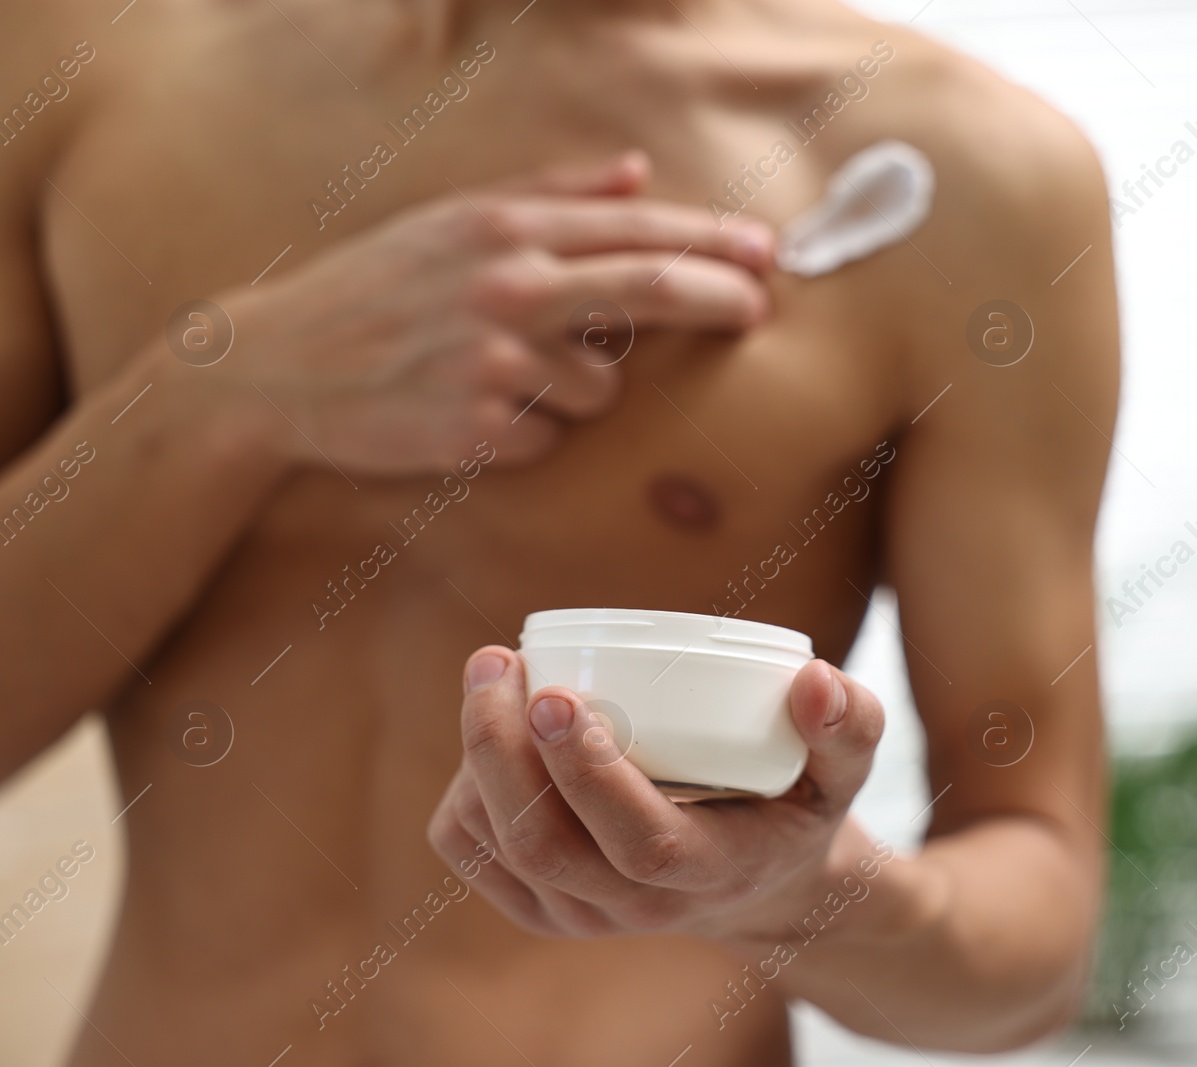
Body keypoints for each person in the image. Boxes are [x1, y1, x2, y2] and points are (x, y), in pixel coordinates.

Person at [0, 0, 1120, 1062]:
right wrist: (221, 390)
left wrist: (806, 897)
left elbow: (1036, 952)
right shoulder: (78, 68)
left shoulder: (975, 176)